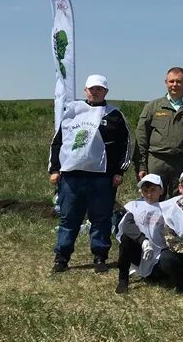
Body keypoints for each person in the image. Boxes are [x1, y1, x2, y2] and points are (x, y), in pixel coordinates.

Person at [49, 74, 131, 274]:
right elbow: (58, 141)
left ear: (106, 92)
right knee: (68, 218)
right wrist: (54, 169)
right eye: (91, 88)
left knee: (101, 218)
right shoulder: (72, 111)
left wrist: (119, 171)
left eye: (99, 89)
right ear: (85, 90)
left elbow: (125, 145)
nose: (95, 92)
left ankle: (100, 256)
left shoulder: (114, 114)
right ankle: (62, 257)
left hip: (101, 177)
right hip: (71, 176)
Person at [134, 67, 183, 197]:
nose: (175, 85)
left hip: (182, 163)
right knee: (153, 200)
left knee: (180, 202)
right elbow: (141, 138)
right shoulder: (153, 107)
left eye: (179, 81)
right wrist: (142, 166)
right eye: (171, 81)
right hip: (156, 162)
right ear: (166, 82)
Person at [115, 174, 168, 293]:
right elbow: (127, 225)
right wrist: (143, 241)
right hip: (138, 249)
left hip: (157, 253)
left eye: (153, 190)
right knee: (126, 239)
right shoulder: (134, 205)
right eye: (145, 191)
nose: (149, 194)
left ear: (161, 190)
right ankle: (123, 279)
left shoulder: (167, 208)